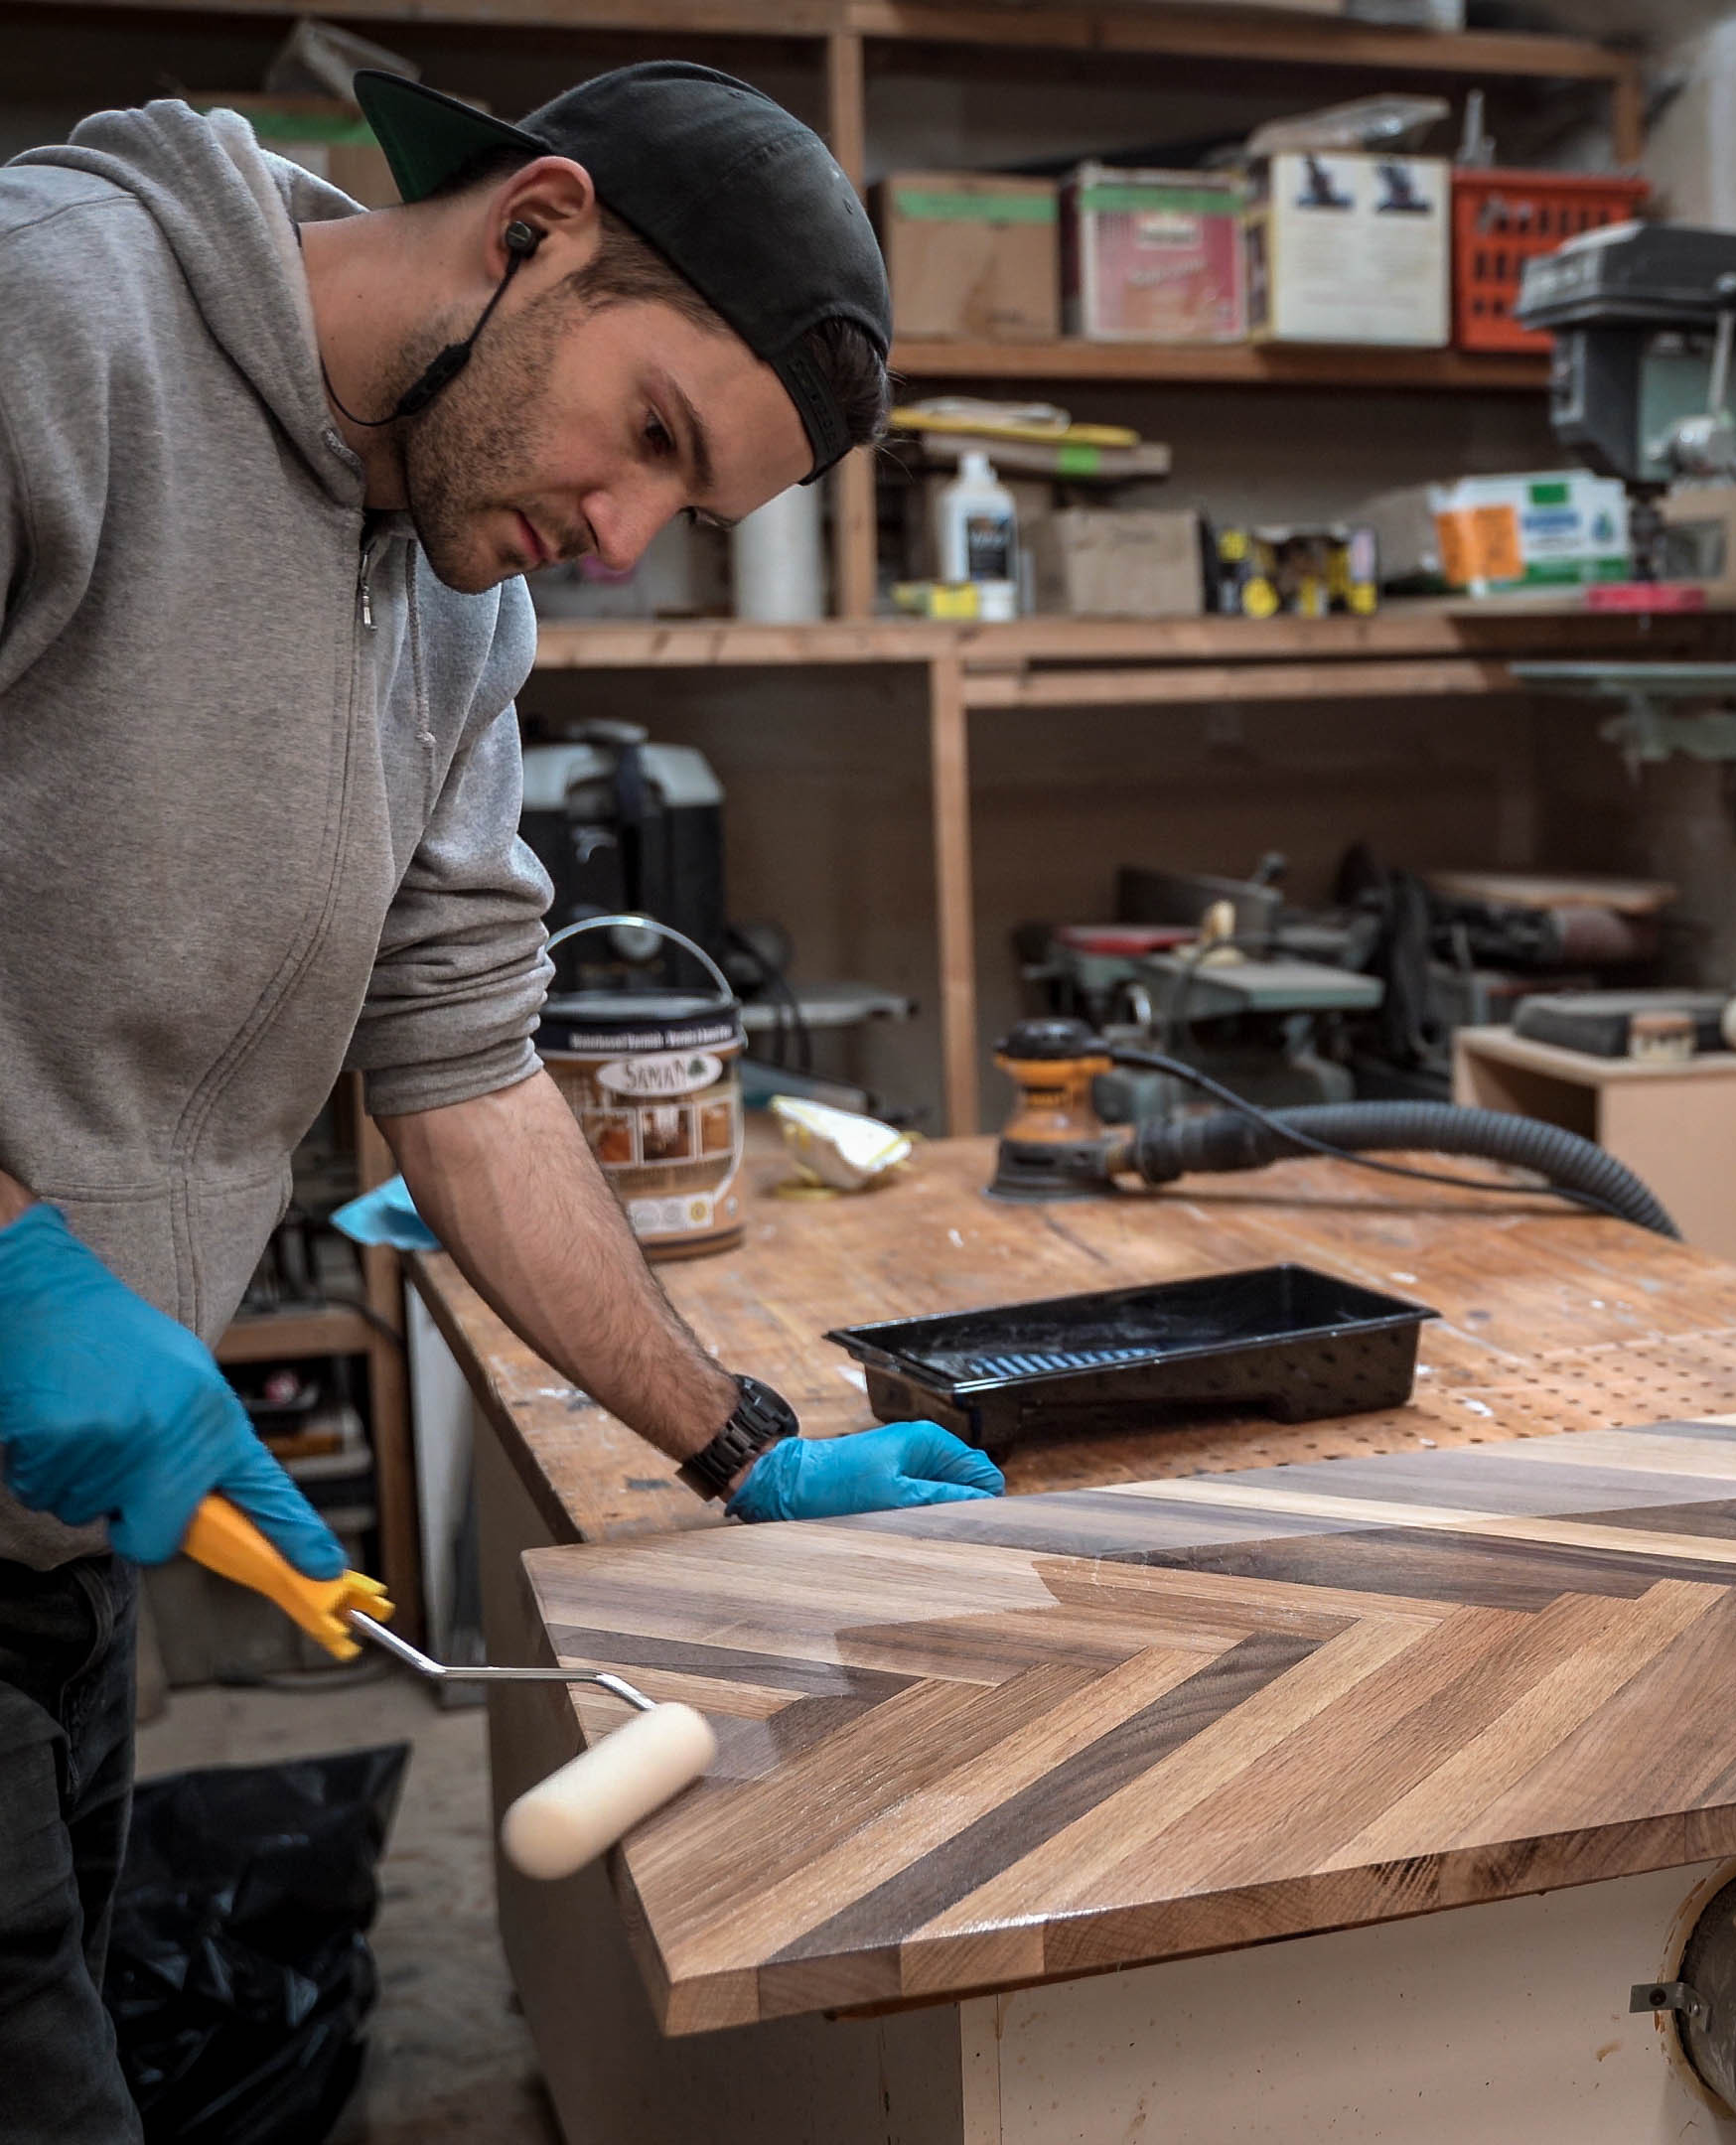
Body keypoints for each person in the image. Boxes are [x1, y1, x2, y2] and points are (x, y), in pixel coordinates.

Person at [0, 64, 1003, 2139]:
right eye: (648, 432)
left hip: (42, 1550)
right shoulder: (53, 322)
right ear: (532, 225)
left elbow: (459, 1050)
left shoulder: (462, 597)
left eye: (686, 509)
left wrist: (737, 1442)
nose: (623, 537)